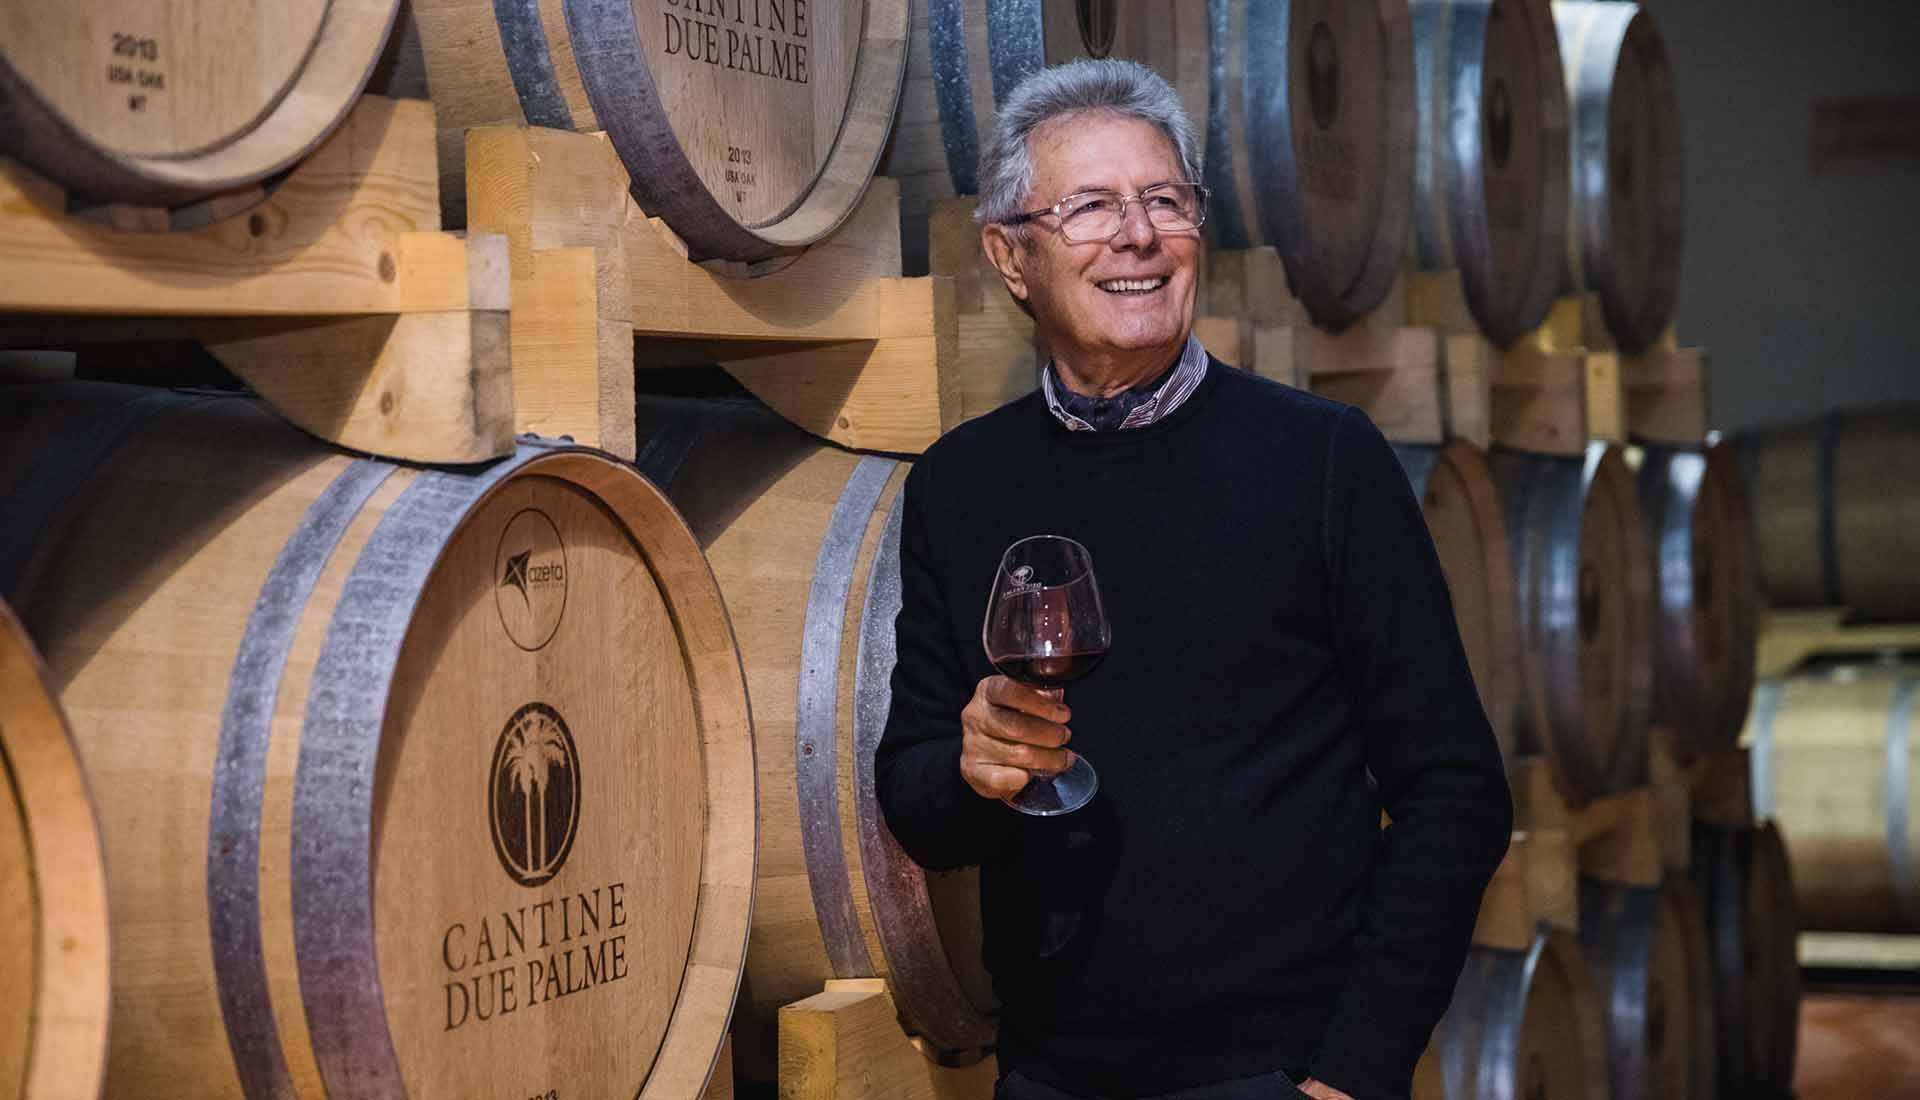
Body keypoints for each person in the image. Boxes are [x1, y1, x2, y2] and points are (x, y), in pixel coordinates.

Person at [873, 59, 1513, 1100]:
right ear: (1010, 256)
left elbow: (1455, 791)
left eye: (1164, 200)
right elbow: (918, 801)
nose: (1138, 235)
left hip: (1277, 1071)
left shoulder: (1322, 460)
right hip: (1051, 1075)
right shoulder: (961, 483)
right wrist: (971, 766)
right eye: (1089, 206)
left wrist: (1352, 1069)